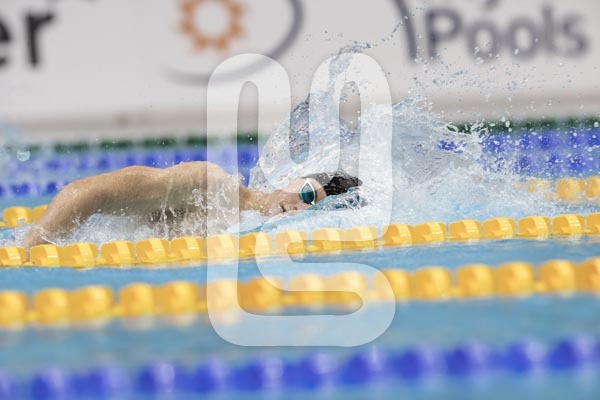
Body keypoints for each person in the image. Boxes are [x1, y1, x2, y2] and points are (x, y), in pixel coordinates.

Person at [23, 161, 361, 248]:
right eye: (306, 194)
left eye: (311, 209)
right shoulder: (209, 185)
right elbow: (86, 193)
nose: (299, 208)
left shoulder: (261, 240)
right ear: (291, 179)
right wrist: (27, 252)